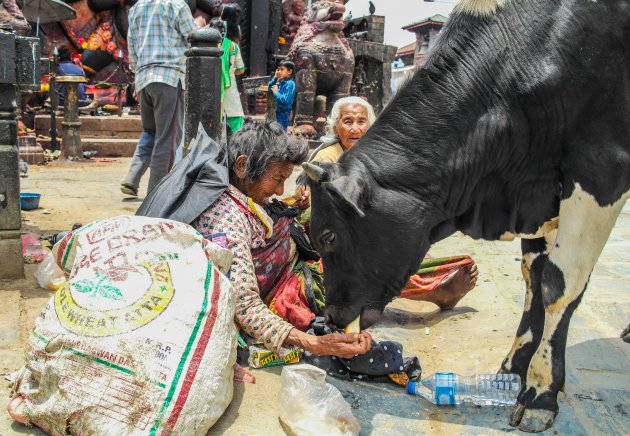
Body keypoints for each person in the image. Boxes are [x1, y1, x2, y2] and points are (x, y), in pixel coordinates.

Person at [192, 121, 371, 358]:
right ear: (242, 166)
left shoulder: (240, 193)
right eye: (277, 179)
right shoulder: (226, 222)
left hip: (296, 269)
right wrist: (314, 344)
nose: (279, 190)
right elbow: (244, 305)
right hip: (284, 292)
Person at [296, 96, 479, 310]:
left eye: (361, 121)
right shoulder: (327, 157)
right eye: (347, 121)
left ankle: (435, 281)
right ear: (336, 128)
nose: (355, 128)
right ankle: (436, 291)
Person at [120, 0, 202, 197]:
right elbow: (194, 37)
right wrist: (199, 24)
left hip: (143, 80)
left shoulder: (137, 8)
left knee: (151, 132)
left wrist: (139, 71)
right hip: (168, 78)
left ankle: (132, 177)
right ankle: (157, 195)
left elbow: (132, 47)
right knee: (168, 139)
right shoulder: (176, 5)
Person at [268, 60, 296, 131]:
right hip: (276, 111)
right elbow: (269, 89)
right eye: (278, 69)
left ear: (289, 72)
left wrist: (276, 93)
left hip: (284, 112)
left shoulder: (290, 84)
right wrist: (275, 78)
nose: (279, 71)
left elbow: (286, 100)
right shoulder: (281, 81)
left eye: (282, 69)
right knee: (274, 131)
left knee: (281, 132)